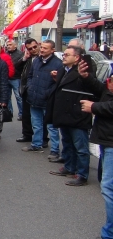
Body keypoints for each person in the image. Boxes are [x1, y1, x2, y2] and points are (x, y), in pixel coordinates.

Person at [46, 45, 92, 186]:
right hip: (64, 114)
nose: (63, 57)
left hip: (77, 115)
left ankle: (82, 174)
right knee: (67, 143)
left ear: (77, 58)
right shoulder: (63, 70)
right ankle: (69, 167)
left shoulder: (83, 71)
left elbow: (88, 86)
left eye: (67, 55)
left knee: (81, 147)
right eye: (64, 54)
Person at [79, 61, 113, 237]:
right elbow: (105, 93)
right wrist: (87, 78)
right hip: (107, 138)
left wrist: (94, 107)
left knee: (108, 187)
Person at [22, 40, 62, 154]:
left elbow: (58, 83)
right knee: (36, 124)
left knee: (51, 127)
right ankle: (36, 144)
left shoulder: (58, 64)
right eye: (42, 47)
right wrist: (30, 87)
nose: (42, 50)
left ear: (52, 50)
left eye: (46, 48)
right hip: (34, 97)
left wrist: (48, 93)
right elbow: (30, 76)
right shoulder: (37, 61)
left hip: (47, 100)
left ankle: (54, 150)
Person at [14, 38, 41, 144]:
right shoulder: (28, 58)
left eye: (35, 47)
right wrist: (24, 58)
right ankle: (27, 134)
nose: (33, 50)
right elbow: (17, 68)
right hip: (27, 90)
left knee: (39, 116)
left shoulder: (42, 58)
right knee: (26, 114)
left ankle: (42, 138)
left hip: (39, 91)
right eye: (30, 48)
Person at [5, 40, 24, 121]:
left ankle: (21, 113)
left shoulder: (20, 54)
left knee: (18, 97)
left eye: (10, 45)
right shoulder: (5, 54)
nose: (8, 46)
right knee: (7, 97)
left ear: (15, 46)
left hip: (16, 78)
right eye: (7, 45)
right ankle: (10, 113)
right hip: (6, 78)